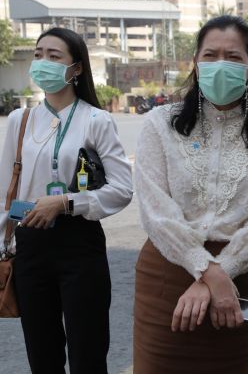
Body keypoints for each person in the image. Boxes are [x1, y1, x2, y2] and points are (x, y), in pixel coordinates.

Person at [133, 16, 248, 374]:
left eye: (233, 57)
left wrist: (221, 275)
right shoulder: (159, 123)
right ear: (196, 63)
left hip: (240, 279)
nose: (220, 64)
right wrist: (209, 272)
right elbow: (156, 212)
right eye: (210, 55)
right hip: (167, 276)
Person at [0, 27, 133, 373]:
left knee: (88, 355)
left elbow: (122, 189)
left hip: (79, 245)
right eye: (38, 54)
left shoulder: (96, 120)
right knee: (42, 356)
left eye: (54, 55)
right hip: (30, 246)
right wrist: (3, 243)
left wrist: (66, 203)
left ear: (76, 69)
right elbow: (5, 194)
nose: (42, 62)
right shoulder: (19, 120)